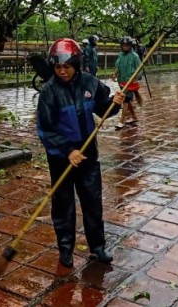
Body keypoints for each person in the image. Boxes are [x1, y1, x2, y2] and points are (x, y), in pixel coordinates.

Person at [37, 38, 124, 268]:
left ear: (76, 63)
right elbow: (45, 129)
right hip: (61, 158)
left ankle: (97, 247)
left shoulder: (90, 83)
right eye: (57, 67)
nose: (62, 71)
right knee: (63, 204)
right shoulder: (49, 92)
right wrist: (67, 151)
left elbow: (103, 108)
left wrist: (114, 104)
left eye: (67, 66)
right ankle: (65, 249)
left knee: (92, 201)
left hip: (87, 154)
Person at [112, 36, 142, 129]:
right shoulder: (120, 55)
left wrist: (135, 78)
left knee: (125, 100)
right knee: (127, 101)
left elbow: (139, 69)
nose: (125, 47)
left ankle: (121, 121)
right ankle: (134, 117)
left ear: (130, 46)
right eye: (123, 45)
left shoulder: (135, 56)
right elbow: (118, 65)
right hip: (121, 81)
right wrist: (115, 73)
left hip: (130, 83)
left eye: (127, 45)